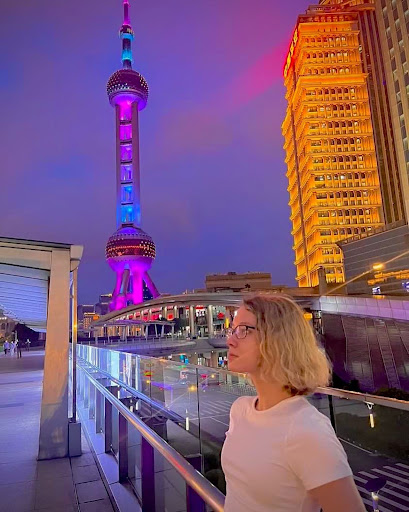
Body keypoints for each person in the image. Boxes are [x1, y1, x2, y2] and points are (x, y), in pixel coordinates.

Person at [221, 294, 365, 512]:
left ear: (278, 338)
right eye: (232, 330)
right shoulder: (240, 410)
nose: (230, 340)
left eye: (243, 330)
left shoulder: (307, 431)